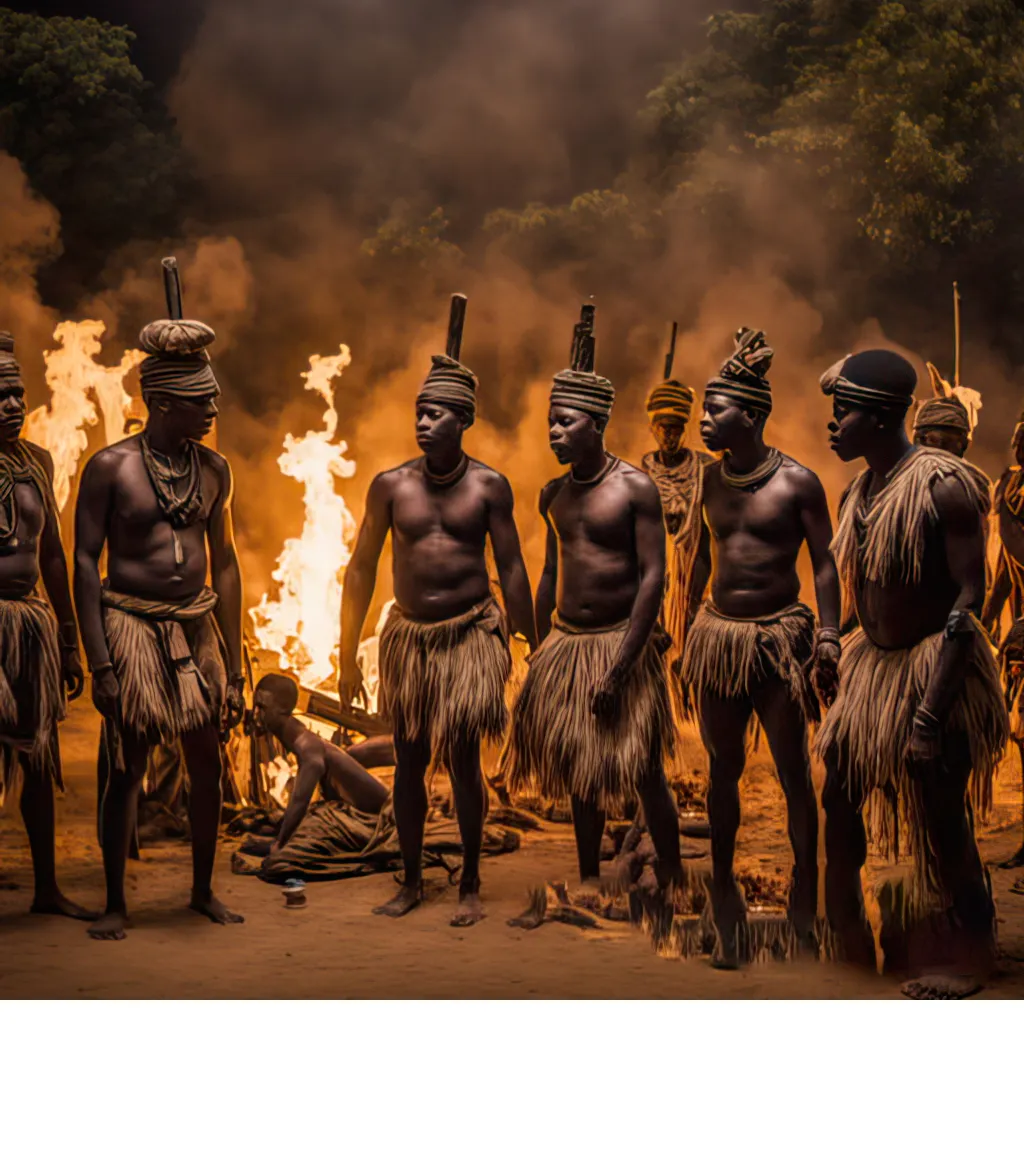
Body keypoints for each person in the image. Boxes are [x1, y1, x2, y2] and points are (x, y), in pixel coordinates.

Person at [818, 349, 1006, 999]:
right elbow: (863, 588)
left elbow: (968, 598)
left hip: (935, 668)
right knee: (838, 797)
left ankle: (971, 951)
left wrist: (929, 715)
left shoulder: (942, 486)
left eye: (842, 412)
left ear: (876, 418)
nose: (831, 423)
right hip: (873, 668)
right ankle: (844, 934)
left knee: (940, 812)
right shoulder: (859, 490)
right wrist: (835, 643)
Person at [337, 348, 537, 927]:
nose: (423, 423)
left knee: (464, 758)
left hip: (470, 634)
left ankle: (470, 880)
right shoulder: (390, 486)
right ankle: (413, 878)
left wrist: (528, 641)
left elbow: (514, 566)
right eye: (419, 413)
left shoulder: (489, 487)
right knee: (409, 759)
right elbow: (360, 568)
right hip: (410, 638)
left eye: (437, 414)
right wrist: (349, 653)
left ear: (464, 420)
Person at [74, 316, 246, 941]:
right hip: (132, 628)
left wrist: (236, 656)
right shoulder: (110, 469)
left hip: (195, 630)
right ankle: (115, 901)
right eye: (202, 401)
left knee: (208, 762)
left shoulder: (215, 470)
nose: (212, 409)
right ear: (163, 402)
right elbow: (85, 565)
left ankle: (201, 892)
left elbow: (224, 563)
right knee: (127, 766)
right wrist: (102, 662)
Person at [680, 327, 840, 967]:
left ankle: (806, 895)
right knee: (722, 771)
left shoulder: (798, 483)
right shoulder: (709, 483)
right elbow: (696, 557)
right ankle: (724, 900)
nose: (705, 421)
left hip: (779, 642)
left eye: (714, 411)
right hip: (720, 640)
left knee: (793, 770)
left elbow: (825, 565)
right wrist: (689, 628)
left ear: (749, 415)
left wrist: (827, 635)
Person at [501, 362, 683, 896]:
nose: (553, 432)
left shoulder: (635, 489)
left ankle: (672, 878)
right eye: (550, 423)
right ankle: (587, 878)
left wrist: (622, 666)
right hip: (567, 643)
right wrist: (540, 648)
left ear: (597, 423)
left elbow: (654, 579)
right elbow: (551, 573)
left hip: (621, 640)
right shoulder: (553, 494)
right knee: (582, 771)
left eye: (566, 422)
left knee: (646, 770)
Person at [0, 332, 91, 919]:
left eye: (17, 395)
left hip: (28, 624)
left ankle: (47, 889)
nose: (12, 406)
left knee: (39, 757)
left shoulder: (37, 462)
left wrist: (67, 636)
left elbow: (54, 553)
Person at [251, 673, 389, 855]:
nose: (256, 714)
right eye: (255, 706)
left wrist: (279, 845)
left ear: (284, 709)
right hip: (357, 814)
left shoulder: (308, 748)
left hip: (378, 820)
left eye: (262, 707)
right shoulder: (303, 745)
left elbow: (300, 801)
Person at [640, 375, 711, 712]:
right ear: (653, 427)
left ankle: (697, 714)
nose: (670, 434)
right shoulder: (641, 471)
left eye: (677, 427)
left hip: (697, 565)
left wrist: (697, 596)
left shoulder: (705, 468)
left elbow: (710, 536)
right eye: (663, 427)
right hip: (657, 572)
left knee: (694, 642)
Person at [982, 406, 1024, 868]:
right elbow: (1007, 572)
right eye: (1017, 438)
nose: (1016, 445)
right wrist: (989, 615)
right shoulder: (1011, 489)